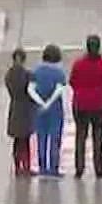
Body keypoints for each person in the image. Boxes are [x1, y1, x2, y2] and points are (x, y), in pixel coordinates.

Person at [69, 35, 102, 179]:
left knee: (81, 136)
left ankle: (79, 168)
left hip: (80, 104)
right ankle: (98, 168)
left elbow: (73, 82)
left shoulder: (78, 64)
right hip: (99, 104)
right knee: (98, 136)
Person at [28, 44, 70, 177]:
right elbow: (59, 89)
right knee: (55, 138)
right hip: (55, 109)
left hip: (38, 109)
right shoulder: (59, 72)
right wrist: (49, 103)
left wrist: (41, 102)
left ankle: (42, 167)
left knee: (41, 138)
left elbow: (30, 89)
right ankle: (53, 168)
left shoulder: (36, 71)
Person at [6, 48, 36, 175]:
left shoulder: (9, 75)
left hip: (15, 107)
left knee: (17, 140)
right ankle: (26, 166)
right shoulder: (28, 75)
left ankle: (18, 166)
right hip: (25, 109)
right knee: (25, 141)